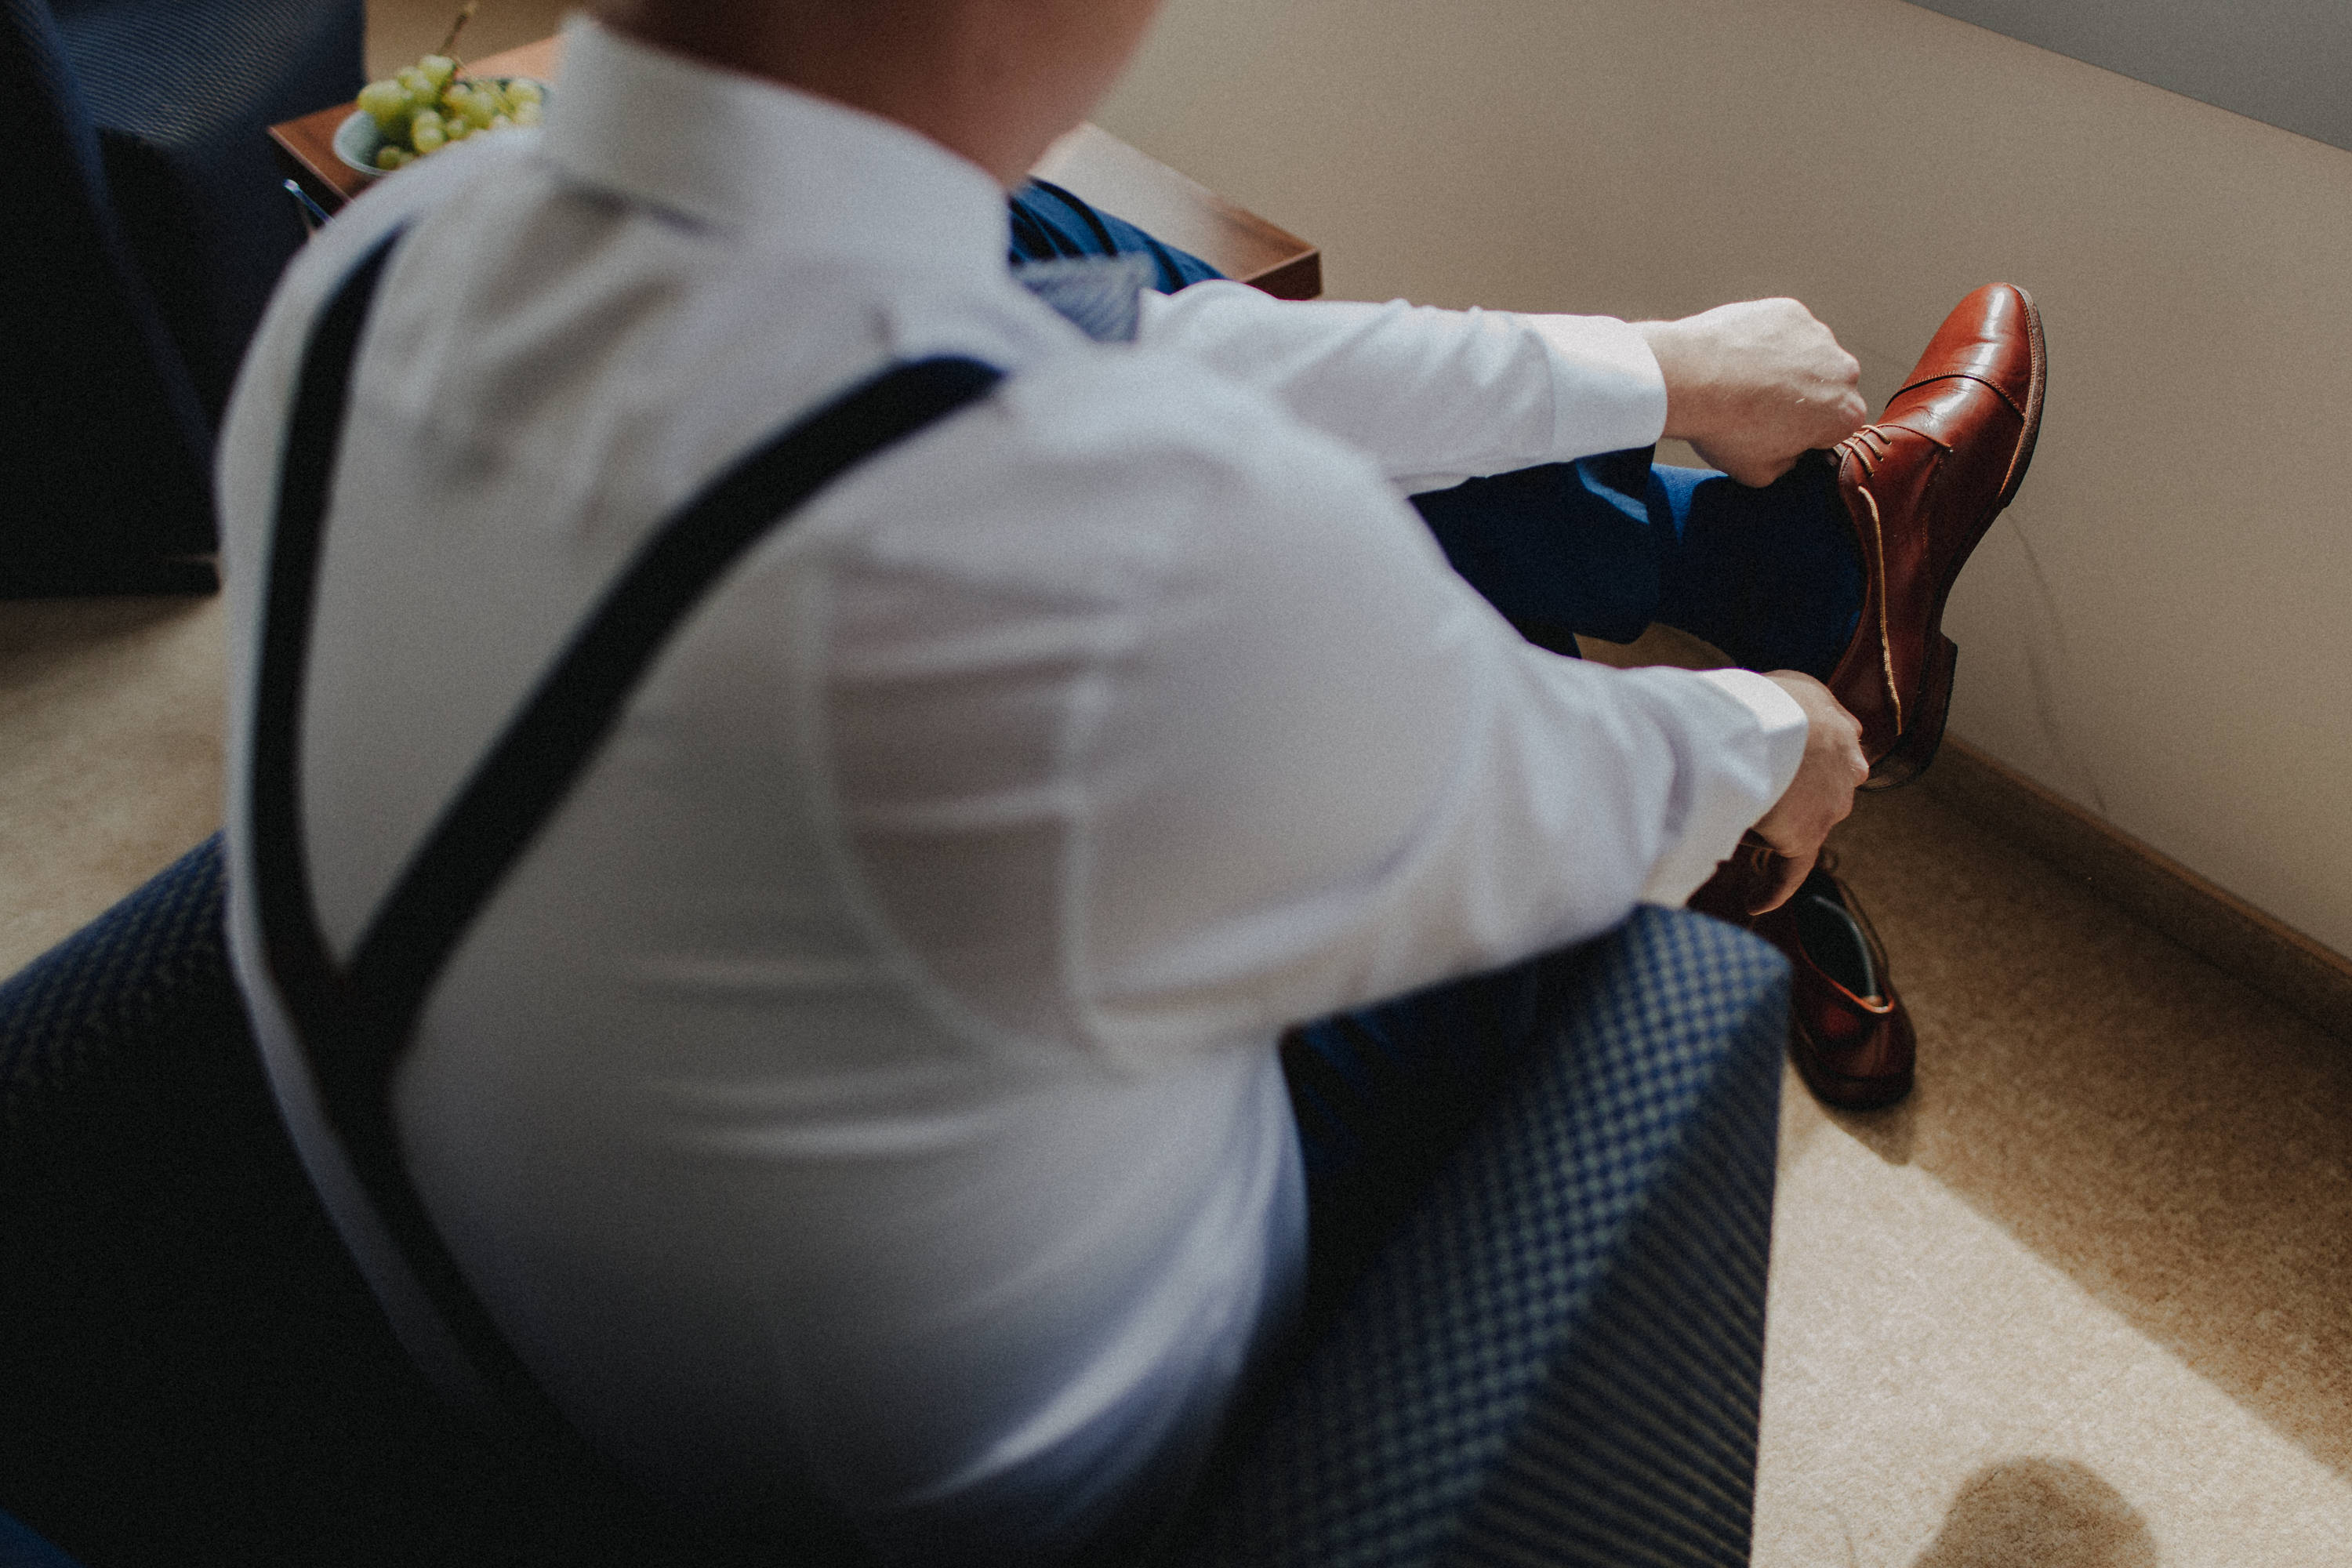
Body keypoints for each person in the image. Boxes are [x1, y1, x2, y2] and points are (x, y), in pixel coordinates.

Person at [214, 0, 2042, 1560]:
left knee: (1087, 282)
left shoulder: (380, 259)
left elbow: (1147, 371)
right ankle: (1814, 605)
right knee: (1564, 786)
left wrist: (1650, 366)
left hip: (554, 1305)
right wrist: (1782, 744)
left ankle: (1776, 563)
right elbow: (1584, 792)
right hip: (1066, 1465)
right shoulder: (1110, 545)